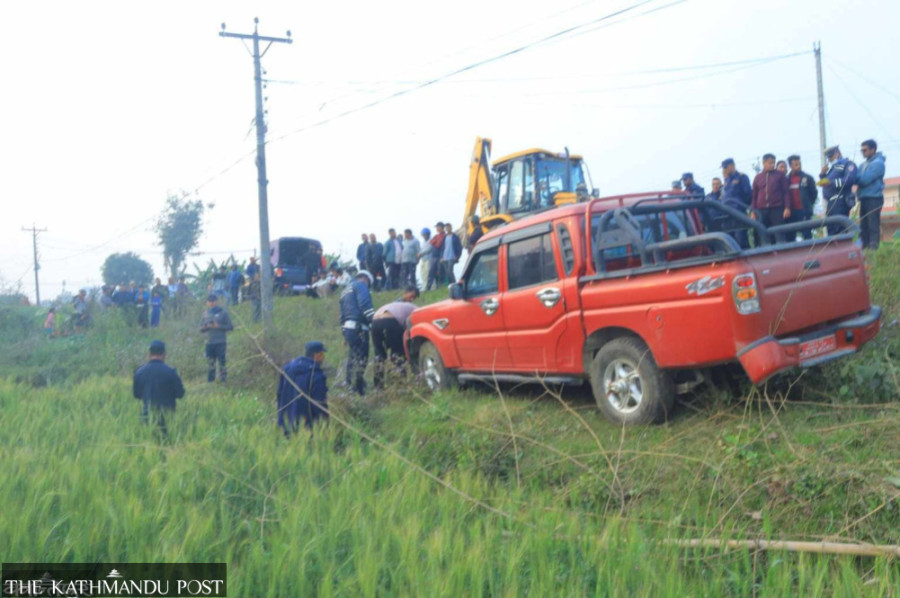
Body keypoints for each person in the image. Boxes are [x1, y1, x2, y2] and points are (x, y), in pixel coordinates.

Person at [132, 340, 185, 435]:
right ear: (164, 354)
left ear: (149, 354)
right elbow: (180, 394)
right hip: (167, 417)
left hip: (147, 416)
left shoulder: (139, 372)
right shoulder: (171, 372)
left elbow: (137, 395)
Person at [277, 341, 329, 436]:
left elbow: (279, 394)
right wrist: (324, 425)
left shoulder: (287, 369)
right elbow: (319, 403)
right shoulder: (317, 376)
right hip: (307, 428)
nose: (324, 357)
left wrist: (280, 418)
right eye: (322, 354)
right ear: (317, 355)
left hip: (286, 424)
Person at [371, 287, 419, 389]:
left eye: (413, 298)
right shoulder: (413, 307)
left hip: (375, 321)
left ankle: (378, 386)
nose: (411, 300)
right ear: (405, 293)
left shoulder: (394, 304)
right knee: (398, 353)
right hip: (390, 321)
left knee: (379, 355)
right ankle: (399, 384)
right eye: (411, 296)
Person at [339, 270, 375, 396]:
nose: (368, 287)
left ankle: (349, 383)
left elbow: (342, 315)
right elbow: (365, 304)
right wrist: (373, 322)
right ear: (365, 279)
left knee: (352, 356)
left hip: (348, 328)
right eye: (368, 284)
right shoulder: (361, 286)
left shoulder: (345, 291)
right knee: (362, 358)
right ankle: (358, 388)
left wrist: (344, 332)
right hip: (359, 328)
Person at [818, 145, 858, 236]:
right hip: (831, 203)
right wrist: (822, 175)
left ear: (837, 154)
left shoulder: (848, 164)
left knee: (839, 228)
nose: (829, 160)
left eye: (830, 157)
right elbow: (827, 183)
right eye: (828, 158)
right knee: (831, 228)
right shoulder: (833, 169)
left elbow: (849, 179)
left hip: (840, 201)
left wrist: (831, 183)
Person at [751, 153, 791, 241]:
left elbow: (786, 192)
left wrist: (787, 207)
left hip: (776, 209)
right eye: (770, 163)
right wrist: (753, 211)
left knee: (779, 233)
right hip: (761, 210)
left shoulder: (780, 175)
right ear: (764, 163)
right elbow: (754, 196)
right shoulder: (758, 177)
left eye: (773, 162)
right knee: (762, 233)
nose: (772, 165)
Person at [856, 139, 886, 249]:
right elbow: (857, 177)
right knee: (863, 226)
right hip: (864, 198)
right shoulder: (863, 164)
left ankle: (874, 248)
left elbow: (865, 179)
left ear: (873, 150)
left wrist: (855, 177)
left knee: (872, 224)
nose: (863, 152)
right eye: (862, 150)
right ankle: (865, 248)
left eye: (865, 150)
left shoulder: (878, 163)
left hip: (874, 198)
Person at [199, 294, 234, 383]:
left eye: (213, 301)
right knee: (210, 362)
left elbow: (230, 327)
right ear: (207, 303)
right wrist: (206, 327)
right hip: (209, 342)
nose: (211, 303)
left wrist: (218, 326)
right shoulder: (205, 314)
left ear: (216, 302)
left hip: (220, 342)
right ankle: (211, 381)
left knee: (222, 361)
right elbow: (200, 328)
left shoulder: (223, 313)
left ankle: (223, 380)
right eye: (209, 301)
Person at [721, 158, 754, 248]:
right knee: (729, 240)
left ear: (732, 166)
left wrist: (741, 206)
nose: (724, 170)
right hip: (727, 213)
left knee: (741, 239)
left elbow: (747, 194)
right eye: (723, 168)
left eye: (725, 167)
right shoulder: (726, 180)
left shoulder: (742, 177)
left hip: (738, 212)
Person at [785, 155, 818, 240]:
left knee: (807, 235)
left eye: (799, 164)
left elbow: (813, 194)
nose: (798, 166)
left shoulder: (808, 178)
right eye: (796, 164)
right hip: (791, 213)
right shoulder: (786, 180)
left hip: (804, 212)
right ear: (790, 166)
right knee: (790, 237)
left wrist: (808, 205)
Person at [426, 222, 445, 290]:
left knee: (440, 272)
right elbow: (431, 242)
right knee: (431, 272)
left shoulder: (444, 236)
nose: (437, 228)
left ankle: (440, 286)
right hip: (433, 256)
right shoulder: (436, 236)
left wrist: (442, 257)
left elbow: (441, 246)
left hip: (440, 256)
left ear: (441, 227)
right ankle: (428, 287)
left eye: (437, 227)